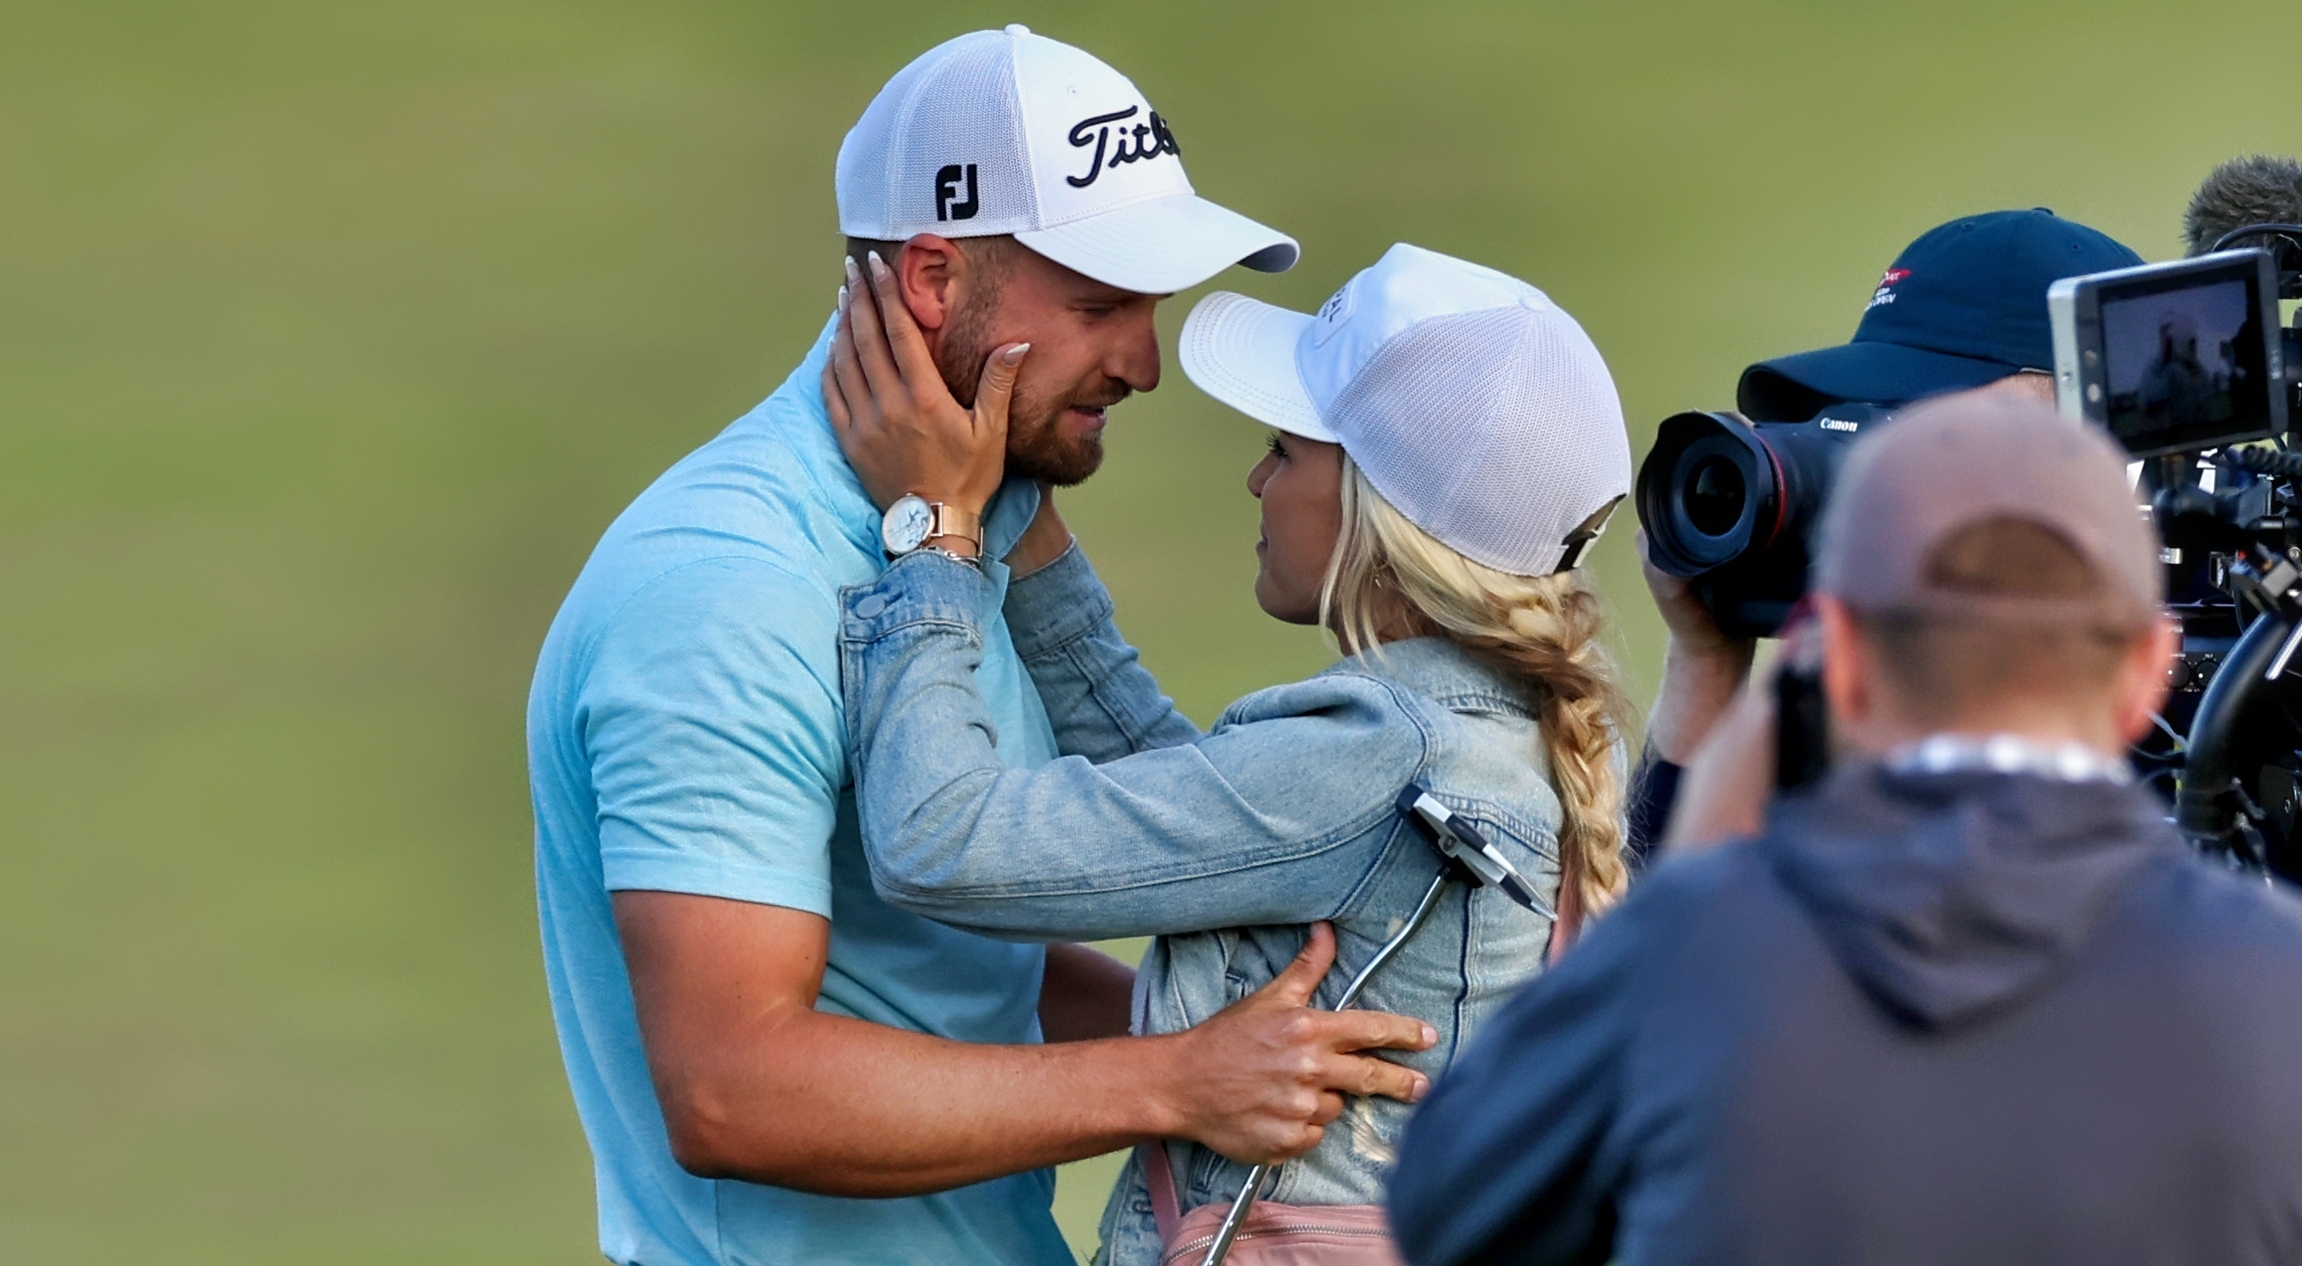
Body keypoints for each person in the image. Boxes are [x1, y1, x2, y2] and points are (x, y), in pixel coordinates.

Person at [526, 27, 1435, 1266]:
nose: (1143, 364)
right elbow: (735, 1087)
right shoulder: (721, 591)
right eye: (1100, 304)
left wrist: (1291, 1060)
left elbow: (943, 979)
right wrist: (1175, 1080)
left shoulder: (961, 517)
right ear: (935, 284)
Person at [826, 242, 1638, 1264]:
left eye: (1284, 451)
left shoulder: (1380, 755)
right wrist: (1021, 515)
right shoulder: (1500, 726)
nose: (1256, 478)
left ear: (1374, 512)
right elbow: (1209, 818)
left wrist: (935, 539)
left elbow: (935, 840)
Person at [1388, 395, 2302, 1266]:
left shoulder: (1696, 949)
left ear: (1842, 666)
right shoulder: (2274, 980)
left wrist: (1700, 863)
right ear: (2150, 672)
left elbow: (1449, 1209)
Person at [1634, 209, 2147, 847]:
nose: (1889, 478)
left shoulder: (2235, 690)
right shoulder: (1862, 698)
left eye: (1932, 430)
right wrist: (1706, 662)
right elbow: (1663, 934)